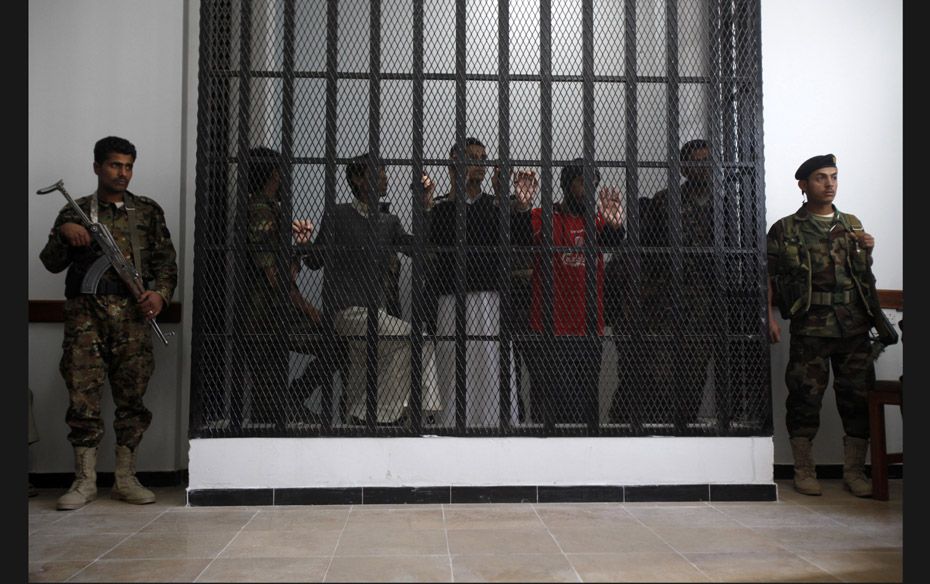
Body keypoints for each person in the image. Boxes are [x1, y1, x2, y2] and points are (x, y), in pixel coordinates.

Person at [39, 136, 178, 510]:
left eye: (129, 166)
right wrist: (65, 235)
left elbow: (166, 263)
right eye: (116, 165)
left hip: (133, 318)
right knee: (82, 398)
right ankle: (84, 481)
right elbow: (51, 262)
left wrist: (160, 295)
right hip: (87, 318)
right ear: (97, 166)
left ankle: (125, 478)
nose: (123, 173)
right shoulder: (76, 211)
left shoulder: (147, 211)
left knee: (132, 398)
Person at [767, 153, 879, 497]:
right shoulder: (786, 228)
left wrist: (868, 249)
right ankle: (803, 470)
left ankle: (855, 472)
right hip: (811, 326)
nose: (829, 184)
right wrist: (769, 316)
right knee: (804, 398)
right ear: (803, 185)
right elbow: (769, 276)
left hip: (853, 327)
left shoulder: (853, 225)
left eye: (833, 177)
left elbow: (862, 277)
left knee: (858, 399)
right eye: (820, 178)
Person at [301, 153, 441, 425]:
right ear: (357, 179)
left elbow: (418, 249)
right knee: (416, 339)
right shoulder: (338, 215)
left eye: (385, 172)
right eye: (378, 173)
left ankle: (356, 420)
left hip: (374, 312)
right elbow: (315, 261)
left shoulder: (388, 222)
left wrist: (425, 206)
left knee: (363, 372)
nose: (385, 177)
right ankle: (401, 411)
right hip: (345, 311)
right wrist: (304, 244)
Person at [607, 139, 723, 433]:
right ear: (684, 167)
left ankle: (683, 432)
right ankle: (636, 431)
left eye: (708, 161)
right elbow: (642, 250)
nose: (704, 167)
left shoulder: (724, 205)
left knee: (694, 373)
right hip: (665, 305)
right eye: (697, 162)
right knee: (655, 375)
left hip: (706, 305)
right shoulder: (665, 201)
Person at [513, 160, 624, 430]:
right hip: (550, 329)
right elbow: (519, 234)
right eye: (583, 182)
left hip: (588, 329)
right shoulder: (545, 216)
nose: (590, 189)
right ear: (565, 184)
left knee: (584, 406)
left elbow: (613, 241)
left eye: (594, 184)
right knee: (549, 403)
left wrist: (616, 225)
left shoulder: (596, 221)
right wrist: (522, 206)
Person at [427, 138, 531, 428]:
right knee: (454, 366)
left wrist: (512, 202)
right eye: (473, 157)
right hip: (452, 300)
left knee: (492, 365)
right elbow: (440, 241)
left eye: (483, 158)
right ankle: (452, 427)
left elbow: (521, 241)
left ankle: (495, 427)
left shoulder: (495, 203)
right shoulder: (442, 207)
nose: (481, 164)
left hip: (491, 298)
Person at [241, 146, 326, 429]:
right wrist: (307, 307)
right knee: (333, 345)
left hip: (271, 310)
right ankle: (287, 407)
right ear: (275, 173)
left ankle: (288, 405)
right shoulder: (260, 210)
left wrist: (297, 248)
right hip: (267, 312)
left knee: (269, 380)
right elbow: (273, 274)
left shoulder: (271, 209)